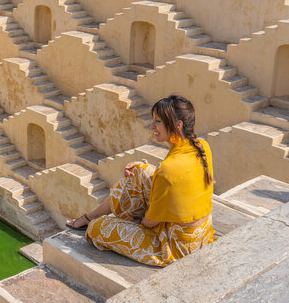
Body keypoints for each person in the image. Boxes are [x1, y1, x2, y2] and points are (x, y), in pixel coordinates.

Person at [66, 95, 215, 267]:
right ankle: (94, 215)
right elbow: (177, 182)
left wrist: (138, 222)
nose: (152, 126)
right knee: (139, 171)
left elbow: (150, 222)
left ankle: (95, 219)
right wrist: (148, 169)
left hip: (176, 246)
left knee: (97, 229)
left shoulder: (169, 169)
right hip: (201, 232)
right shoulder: (201, 145)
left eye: (158, 122)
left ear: (177, 125)